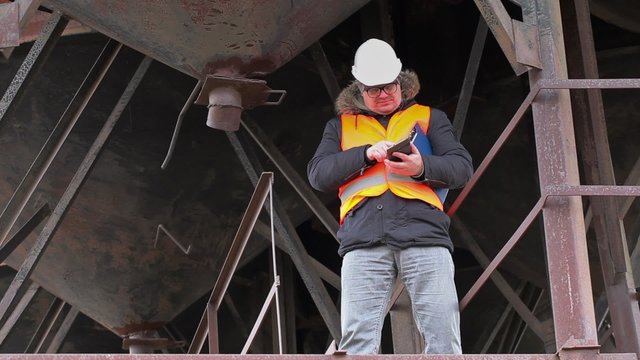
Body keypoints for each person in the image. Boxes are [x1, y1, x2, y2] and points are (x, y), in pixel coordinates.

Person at [307, 38, 473, 354]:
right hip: (363, 240)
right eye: (374, 89)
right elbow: (318, 175)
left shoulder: (429, 118)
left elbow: (462, 167)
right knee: (357, 342)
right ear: (360, 89)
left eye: (389, 86)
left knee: (443, 336)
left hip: (424, 235)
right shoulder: (340, 126)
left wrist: (420, 166)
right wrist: (365, 155)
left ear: (400, 82)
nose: (384, 94)